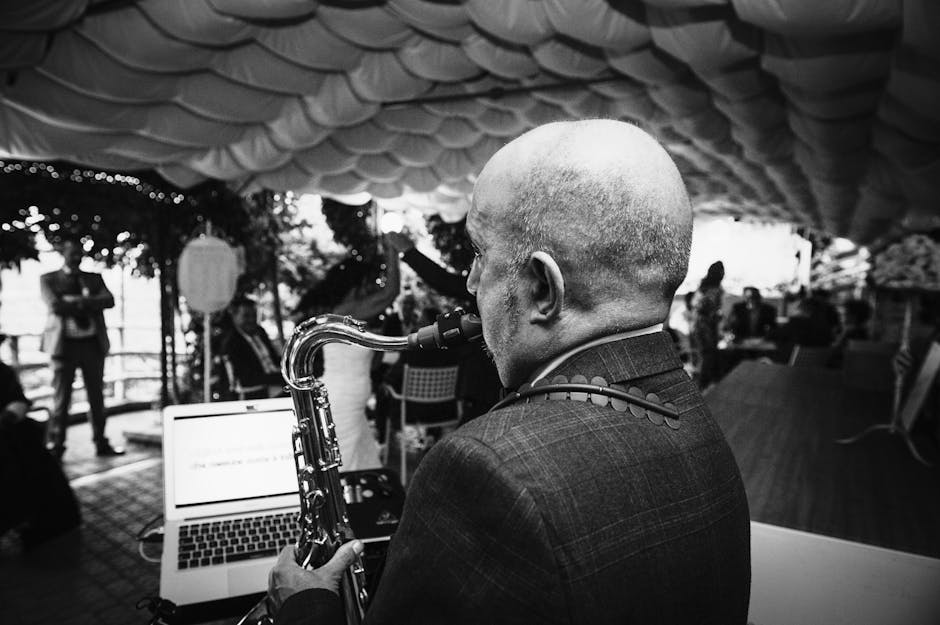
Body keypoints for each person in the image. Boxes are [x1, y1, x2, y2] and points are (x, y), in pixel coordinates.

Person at [269, 120, 751, 624]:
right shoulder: (704, 424)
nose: (472, 282)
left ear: (543, 287)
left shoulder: (483, 470)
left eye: (479, 253)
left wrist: (307, 605)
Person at [293, 238, 401, 472]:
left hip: (347, 396)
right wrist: (393, 250)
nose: (373, 286)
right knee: (341, 465)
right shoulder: (348, 312)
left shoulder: (346, 313)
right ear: (356, 283)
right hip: (343, 398)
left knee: (362, 459)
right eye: (369, 281)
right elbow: (391, 291)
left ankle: (365, 502)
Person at [39, 236, 122, 459]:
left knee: (97, 398)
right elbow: (55, 306)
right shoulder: (48, 279)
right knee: (61, 399)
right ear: (63, 254)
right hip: (62, 347)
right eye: (71, 253)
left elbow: (109, 300)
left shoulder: (93, 278)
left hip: (91, 345)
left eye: (79, 253)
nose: (76, 257)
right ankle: (56, 446)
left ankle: (101, 442)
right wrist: (88, 302)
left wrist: (74, 301)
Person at [0, 333, 82, 548]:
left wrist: (8, 416)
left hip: (8, 434)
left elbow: (17, 400)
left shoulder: (2, 372)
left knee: (23, 450)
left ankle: (41, 519)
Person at [221, 297, 285, 399]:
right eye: (246, 316)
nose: (251, 320)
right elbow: (246, 379)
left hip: (276, 386)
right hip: (253, 395)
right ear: (234, 316)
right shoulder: (231, 343)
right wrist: (281, 378)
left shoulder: (260, 331)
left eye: (254, 315)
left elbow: (273, 360)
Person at [690, 260, 725, 388]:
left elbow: (695, 306)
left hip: (697, 325)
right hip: (706, 326)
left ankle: (701, 383)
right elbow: (711, 309)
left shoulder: (702, 287)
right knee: (707, 355)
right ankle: (704, 384)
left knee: (702, 355)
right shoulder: (716, 290)